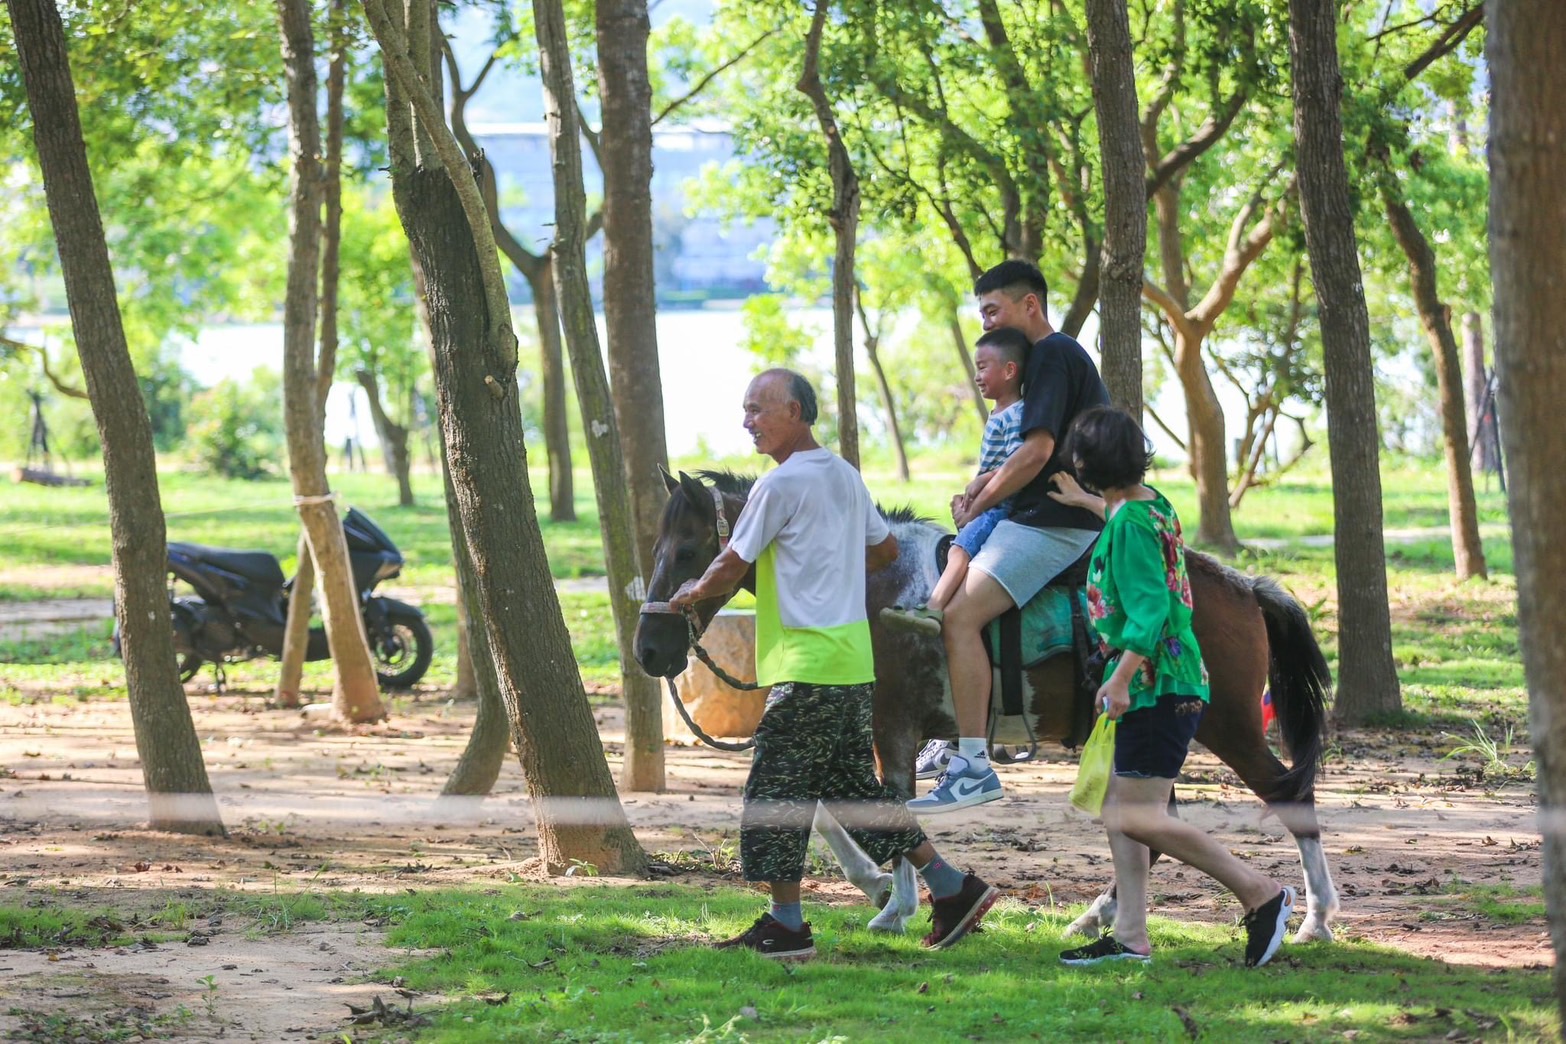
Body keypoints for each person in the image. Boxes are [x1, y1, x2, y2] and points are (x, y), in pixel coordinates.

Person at [669, 368, 999, 960]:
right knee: (855, 792)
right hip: (851, 667)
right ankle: (952, 888)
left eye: (758, 409)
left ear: (796, 412)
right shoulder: (845, 476)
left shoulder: (777, 485)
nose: (747, 422)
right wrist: (824, 559)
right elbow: (886, 550)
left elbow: (731, 562)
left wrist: (691, 592)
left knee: (773, 793)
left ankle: (786, 926)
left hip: (806, 667)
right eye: (745, 411)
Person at [1049, 405, 1295, 968]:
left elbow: (1151, 609)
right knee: (1120, 809)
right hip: (1163, 682)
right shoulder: (1149, 505)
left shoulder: (1131, 525)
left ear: (1089, 462)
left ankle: (1261, 893)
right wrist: (1085, 502)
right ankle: (1131, 936)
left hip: (1158, 686)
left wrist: (1119, 678)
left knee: (1141, 817)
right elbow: (1128, 525)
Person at [907, 260, 1109, 814]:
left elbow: (1037, 452)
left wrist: (979, 503)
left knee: (957, 617)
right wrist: (984, 489)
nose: (987, 322)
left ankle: (973, 764)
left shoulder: (1052, 356)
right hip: (1032, 513)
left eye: (993, 310)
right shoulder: (1048, 361)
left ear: (1030, 305)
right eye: (983, 313)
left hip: (1056, 520)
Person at [881, 327, 1029, 780]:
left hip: (1001, 507)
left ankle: (932, 607)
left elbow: (1008, 469)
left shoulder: (1018, 415)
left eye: (984, 367)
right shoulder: (1000, 414)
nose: (977, 375)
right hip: (988, 504)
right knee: (959, 545)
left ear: (1010, 370)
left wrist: (977, 497)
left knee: (960, 550)